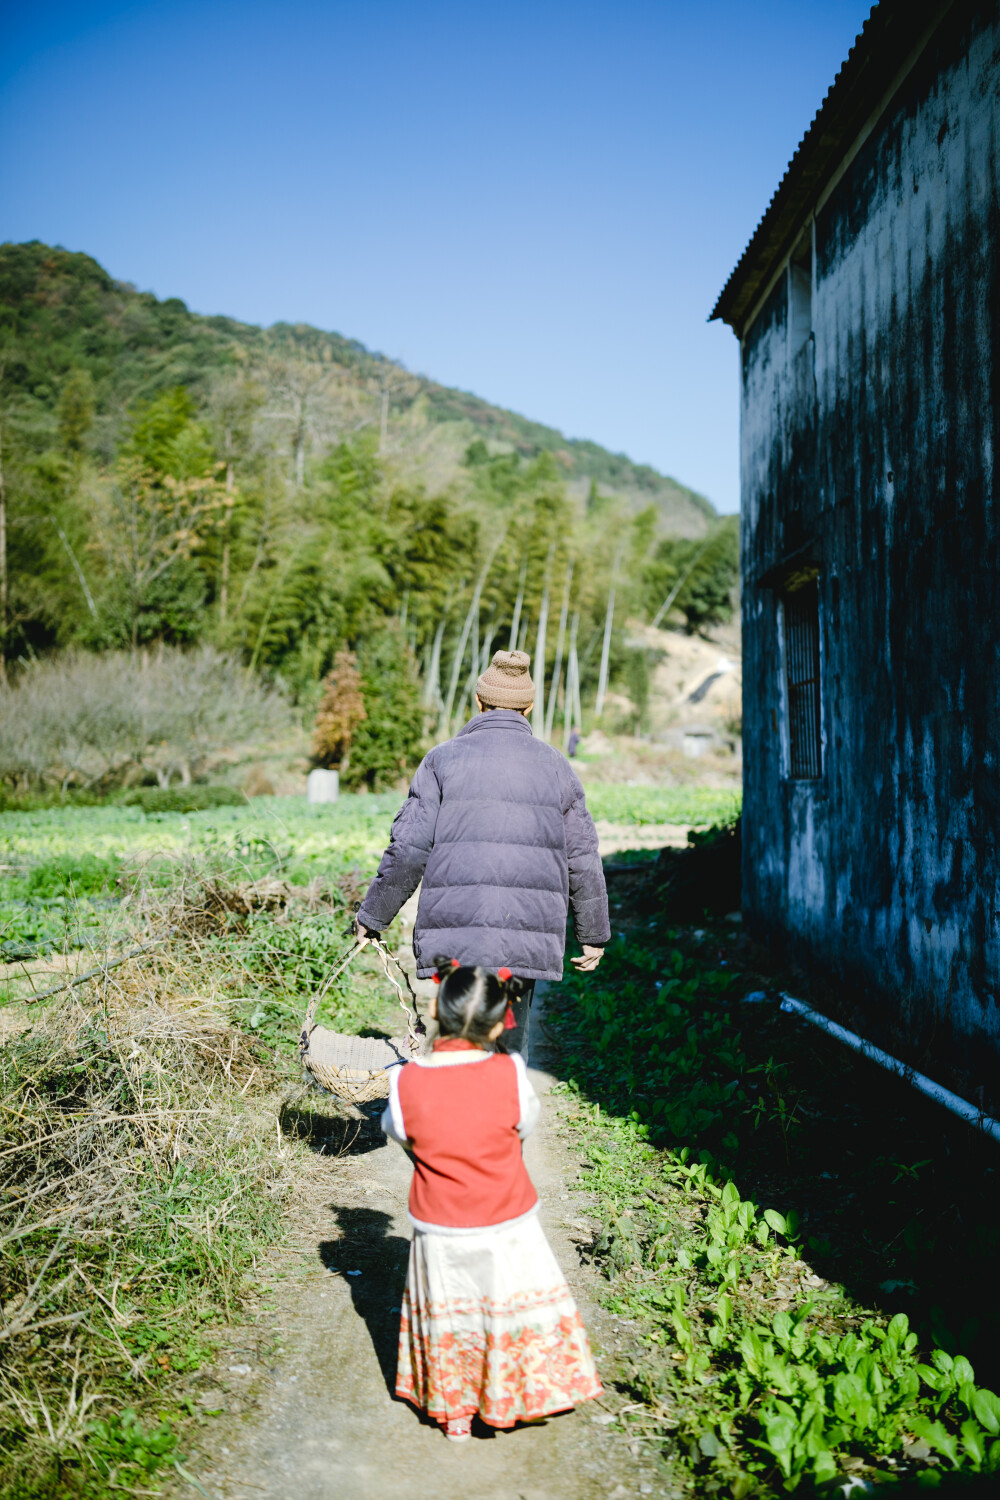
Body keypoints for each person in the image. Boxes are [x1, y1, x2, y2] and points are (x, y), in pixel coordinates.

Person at [382, 959, 602, 1441]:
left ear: (438, 1012)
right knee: (504, 1307)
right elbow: (523, 1126)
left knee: (451, 1310)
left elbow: (399, 1134)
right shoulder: (511, 1072)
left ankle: (453, 1410)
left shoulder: (406, 1081)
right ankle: (511, 1393)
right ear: (501, 1021)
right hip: (507, 1220)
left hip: (439, 1226)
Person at [355, 649, 610, 1055]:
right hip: (523, 939)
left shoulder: (441, 760)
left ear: (478, 701)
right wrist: (593, 934)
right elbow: (582, 857)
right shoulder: (557, 766)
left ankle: (449, 1109)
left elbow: (408, 849)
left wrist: (373, 916)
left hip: (456, 935)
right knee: (508, 1048)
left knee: (457, 1044)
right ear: (529, 707)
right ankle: (503, 1113)